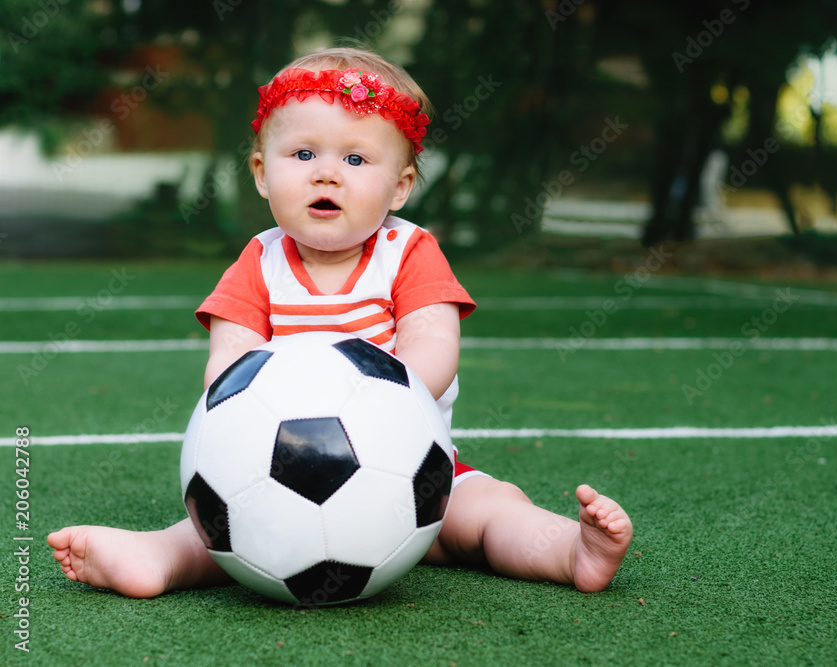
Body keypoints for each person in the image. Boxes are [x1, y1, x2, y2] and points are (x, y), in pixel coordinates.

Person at [48, 47, 632, 598]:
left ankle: (568, 550)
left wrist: (383, 406)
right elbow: (228, 368)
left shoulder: (408, 252)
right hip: (282, 472)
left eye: (355, 159)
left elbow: (433, 344)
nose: (326, 174)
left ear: (400, 186)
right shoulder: (259, 262)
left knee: (493, 509)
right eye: (303, 155)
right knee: (225, 521)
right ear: (260, 173)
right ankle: (158, 558)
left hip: (417, 476)